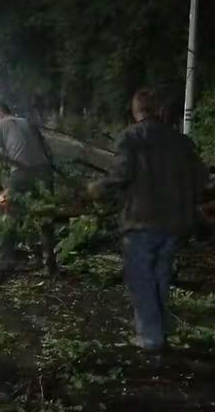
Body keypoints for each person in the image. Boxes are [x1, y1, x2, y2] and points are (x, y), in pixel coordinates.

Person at [88, 89, 208, 351]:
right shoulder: (181, 141)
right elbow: (201, 178)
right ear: (158, 109)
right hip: (175, 223)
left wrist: (98, 188)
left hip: (142, 220)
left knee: (141, 277)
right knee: (160, 276)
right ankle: (160, 330)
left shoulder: (131, 138)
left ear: (136, 110)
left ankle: (151, 338)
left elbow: (120, 176)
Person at [0, 101, 57, 273]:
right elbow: (48, 150)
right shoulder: (27, 122)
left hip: (21, 173)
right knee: (45, 215)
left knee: (7, 210)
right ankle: (49, 262)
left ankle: (6, 259)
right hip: (45, 171)